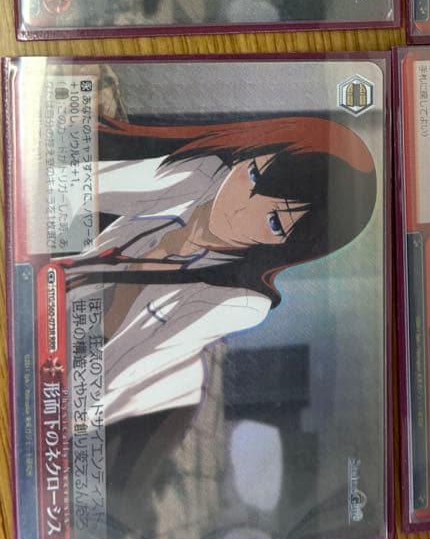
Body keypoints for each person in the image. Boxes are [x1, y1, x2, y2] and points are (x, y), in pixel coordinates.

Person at [59, 112, 378, 426]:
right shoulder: (201, 176)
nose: (237, 207)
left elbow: (128, 364)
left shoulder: (240, 301)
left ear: (285, 246)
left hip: (82, 372)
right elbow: (74, 187)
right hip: (61, 302)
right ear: (246, 154)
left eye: (274, 222)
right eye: (254, 173)